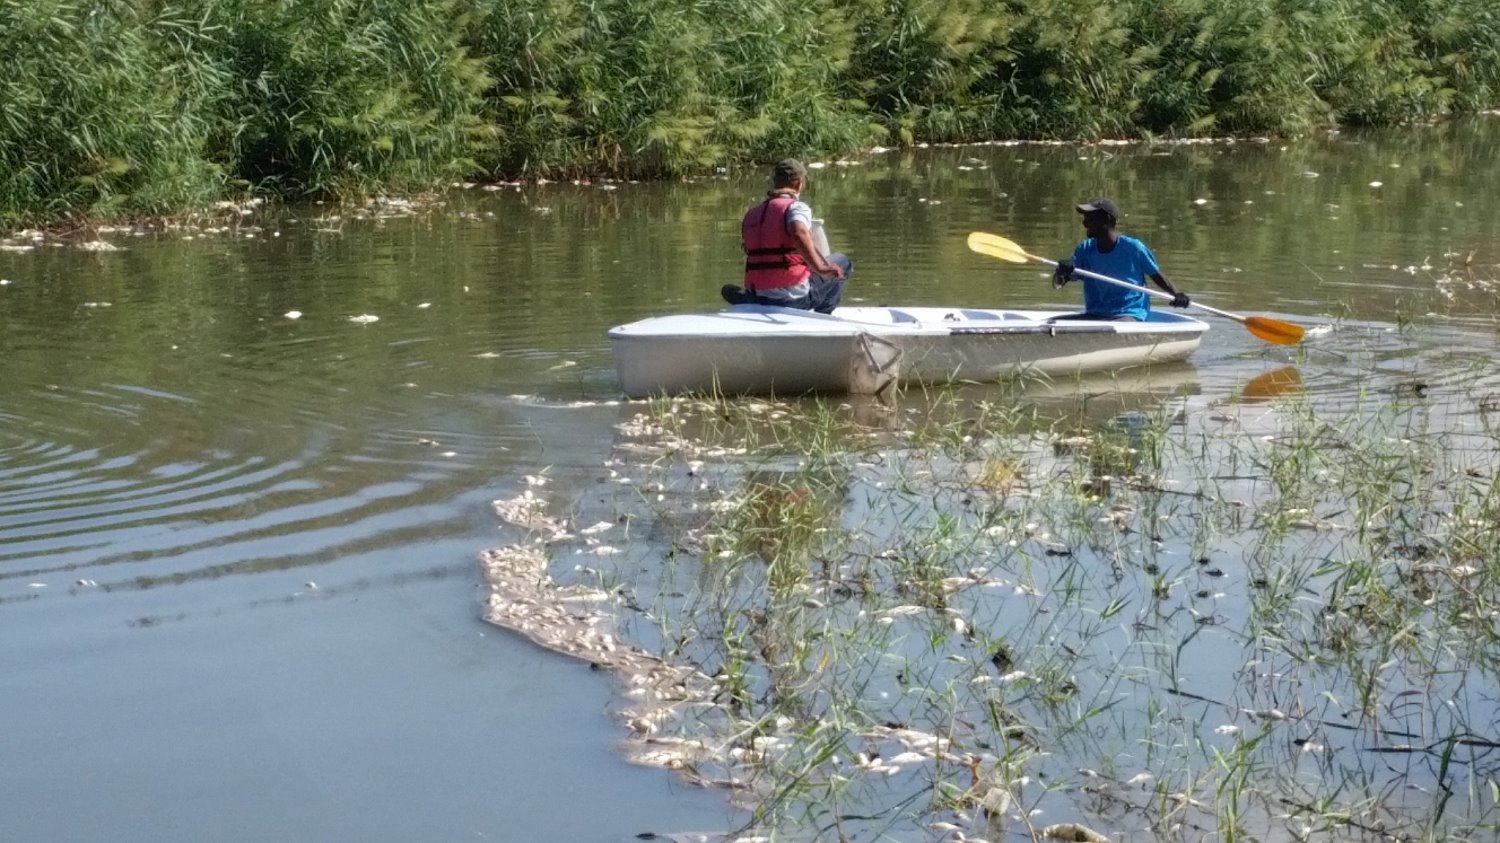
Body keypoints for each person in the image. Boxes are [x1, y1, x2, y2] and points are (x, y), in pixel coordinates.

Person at [721, 159, 852, 314]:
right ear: (799, 183)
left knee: (727, 290)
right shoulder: (797, 207)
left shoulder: (752, 213)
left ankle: (750, 299)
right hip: (792, 299)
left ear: (775, 182)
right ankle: (823, 316)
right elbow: (798, 231)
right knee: (843, 261)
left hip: (756, 296)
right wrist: (821, 268)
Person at [1051, 197, 1189, 321]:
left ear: (1107, 220)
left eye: (1090, 219)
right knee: (1052, 323)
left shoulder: (1133, 248)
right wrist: (1062, 272)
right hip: (1096, 315)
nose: (1085, 224)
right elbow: (1058, 284)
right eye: (1085, 219)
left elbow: (1157, 276)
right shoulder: (1085, 249)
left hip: (1128, 315)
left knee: (1108, 328)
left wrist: (1177, 294)